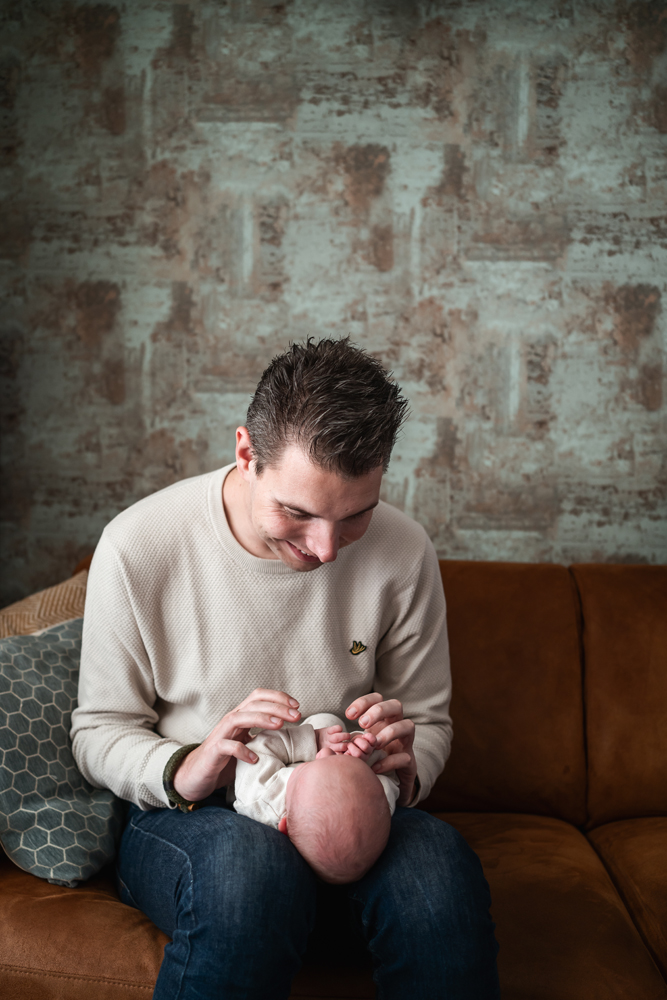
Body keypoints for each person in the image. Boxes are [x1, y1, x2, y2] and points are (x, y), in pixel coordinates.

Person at [71, 337, 500, 999]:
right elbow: (98, 732)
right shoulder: (140, 545)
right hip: (192, 817)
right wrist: (191, 764)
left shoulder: (404, 550)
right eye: (296, 514)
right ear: (246, 453)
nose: (326, 549)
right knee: (248, 874)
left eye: (355, 515)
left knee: (440, 876)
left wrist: (404, 759)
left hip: (349, 801)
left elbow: (429, 720)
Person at [233, 712, 400, 883]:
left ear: (286, 826)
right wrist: (361, 758)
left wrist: (314, 740)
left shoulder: (264, 795)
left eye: (309, 766)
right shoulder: (380, 809)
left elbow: (254, 752)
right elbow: (388, 779)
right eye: (332, 757)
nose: (325, 752)